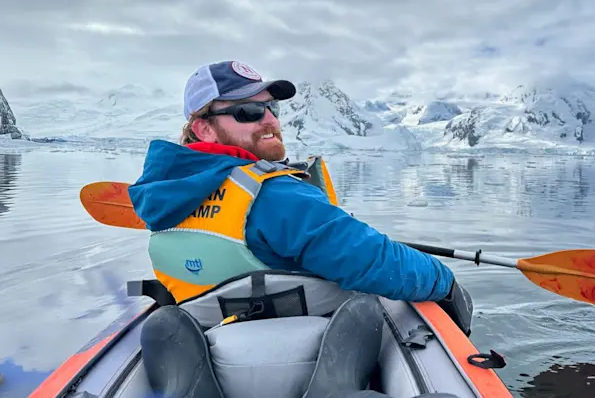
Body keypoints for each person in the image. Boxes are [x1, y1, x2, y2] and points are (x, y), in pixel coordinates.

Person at [127, 60, 473, 335]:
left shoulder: (161, 194)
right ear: (203, 128)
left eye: (271, 108)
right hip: (307, 346)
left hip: (205, 334)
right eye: (248, 112)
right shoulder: (275, 193)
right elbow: (374, 261)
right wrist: (444, 281)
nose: (269, 120)